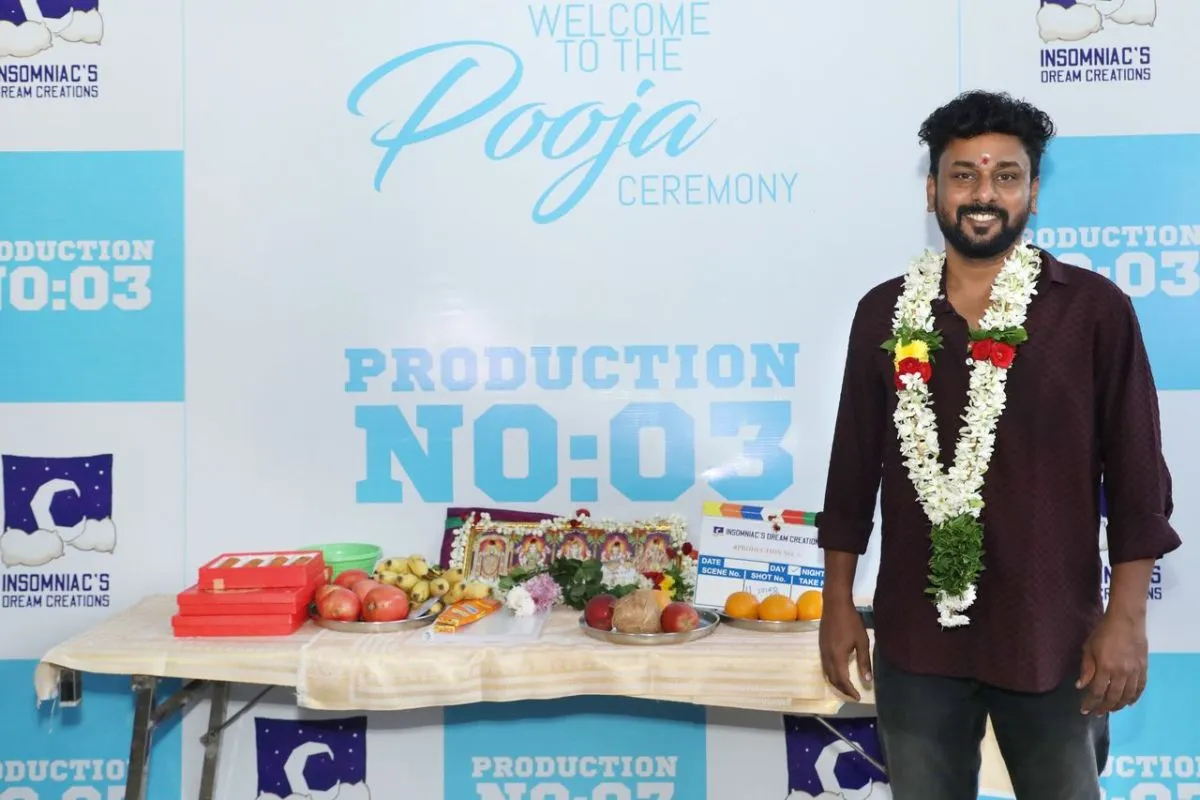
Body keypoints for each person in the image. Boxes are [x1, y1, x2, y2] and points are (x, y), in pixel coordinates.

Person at [817, 90, 1181, 799]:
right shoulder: (884, 314)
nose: (984, 194)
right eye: (963, 175)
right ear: (933, 191)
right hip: (918, 636)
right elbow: (853, 471)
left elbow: (1139, 477)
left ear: (1033, 192)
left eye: (1005, 176)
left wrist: (1127, 620)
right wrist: (836, 600)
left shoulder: (1092, 311)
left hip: (1052, 635)